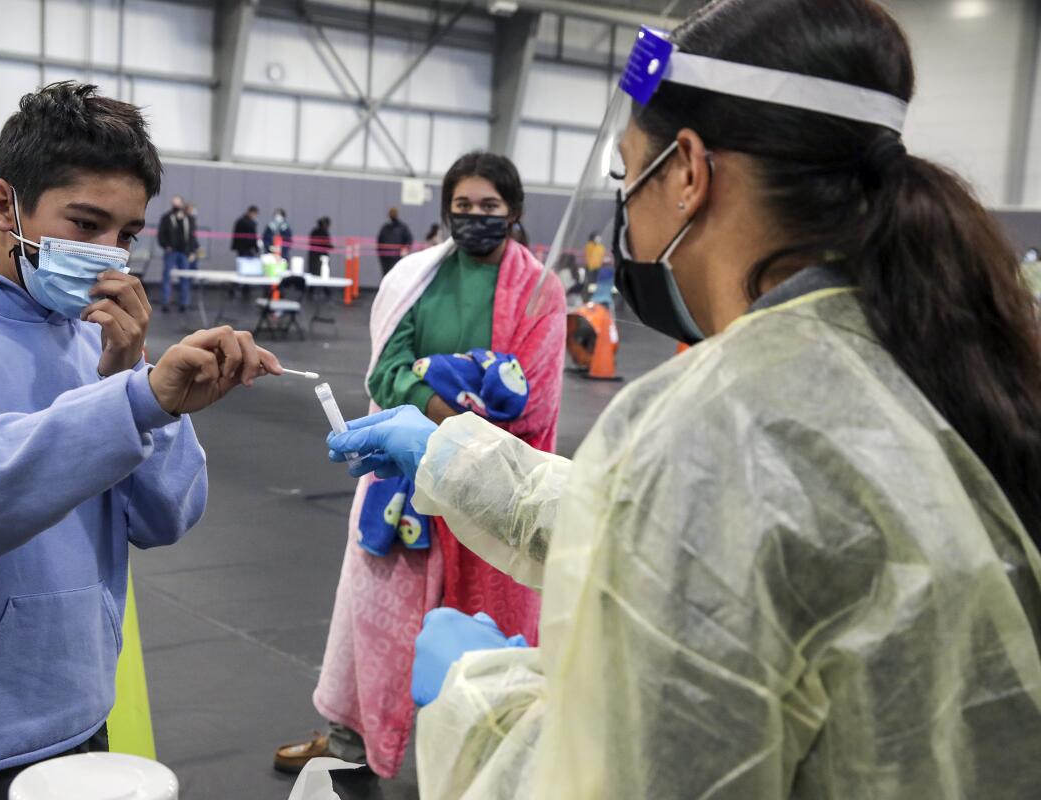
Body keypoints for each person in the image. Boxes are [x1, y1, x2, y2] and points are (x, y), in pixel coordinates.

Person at [323, 1, 1041, 797]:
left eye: (629, 173)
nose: (626, 206)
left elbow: (618, 775)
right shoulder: (951, 358)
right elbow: (690, 533)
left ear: (690, 171)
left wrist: (480, 699)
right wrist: (453, 459)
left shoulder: (718, 422)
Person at [0, 81, 282, 800]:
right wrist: (134, 401)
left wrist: (142, 392)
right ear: (1, 206)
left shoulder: (98, 342)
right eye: (85, 225)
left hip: (78, 719)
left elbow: (166, 517)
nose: (109, 256)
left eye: (126, 234)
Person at [275, 152, 565, 778]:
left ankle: (489, 763)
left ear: (512, 211)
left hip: (499, 488)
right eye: (462, 207)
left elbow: (527, 397)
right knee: (373, 614)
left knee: (484, 633)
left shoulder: (541, 290)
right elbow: (388, 368)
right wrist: (460, 392)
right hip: (403, 484)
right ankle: (349, 739)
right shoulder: (419, 278)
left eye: (489, 207)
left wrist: (429, 392)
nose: (475, 218)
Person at [157, 194, 198, 312]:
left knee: (185, 278)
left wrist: (192, 251)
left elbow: (191, 236)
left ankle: (184, 303)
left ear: (182, 204)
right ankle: (165, 303)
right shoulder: (166, 217)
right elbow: (161, 234)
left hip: (184, 252)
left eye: (177, 203)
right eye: (173, 203)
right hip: (171, 252)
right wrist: (166, 246)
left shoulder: (189, 218)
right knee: (167, 277)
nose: (175, 206)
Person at [376, 207, 413, 275]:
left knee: (395, 274)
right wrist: (381, 254)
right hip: (386, 257)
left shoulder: (402, 227)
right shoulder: (385, 228)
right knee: (386, 275)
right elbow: (379, 241)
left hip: (397, 256)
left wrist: (405, 249)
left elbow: (408, 239)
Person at [232, 204, 261, 275]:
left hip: (240, 247)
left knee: (242, 265)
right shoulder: (249, 223)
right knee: (247, 266)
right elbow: (253, 237)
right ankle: (246, 283)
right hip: (247, 247)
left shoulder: (240, 221)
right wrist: (256, 247)